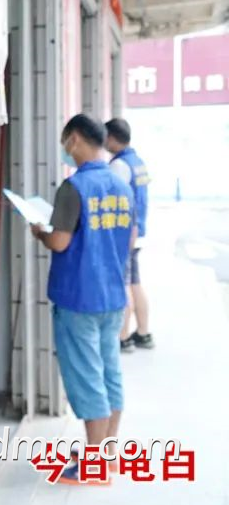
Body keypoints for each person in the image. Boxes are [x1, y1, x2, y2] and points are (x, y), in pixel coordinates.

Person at [32, 114, 135, 485]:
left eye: (65, 140)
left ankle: (94, 468)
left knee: (88, 377)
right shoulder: (122, 185)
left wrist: (40, 232)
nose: (65, 148)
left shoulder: (73, 187)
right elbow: (130, 237)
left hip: (79, 296)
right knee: (109, 371)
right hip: (112, 294)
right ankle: (107, 453)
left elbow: (60, 241)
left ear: (74, 139)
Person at [105, 118, 154, 352]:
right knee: (135, 282)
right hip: (139, 230)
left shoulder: (119, 165)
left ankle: (123, 337)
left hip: (126, 234)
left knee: (123, 284)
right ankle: (143, 333)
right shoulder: (137, 162)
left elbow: (111, 199)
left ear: (112, 138)